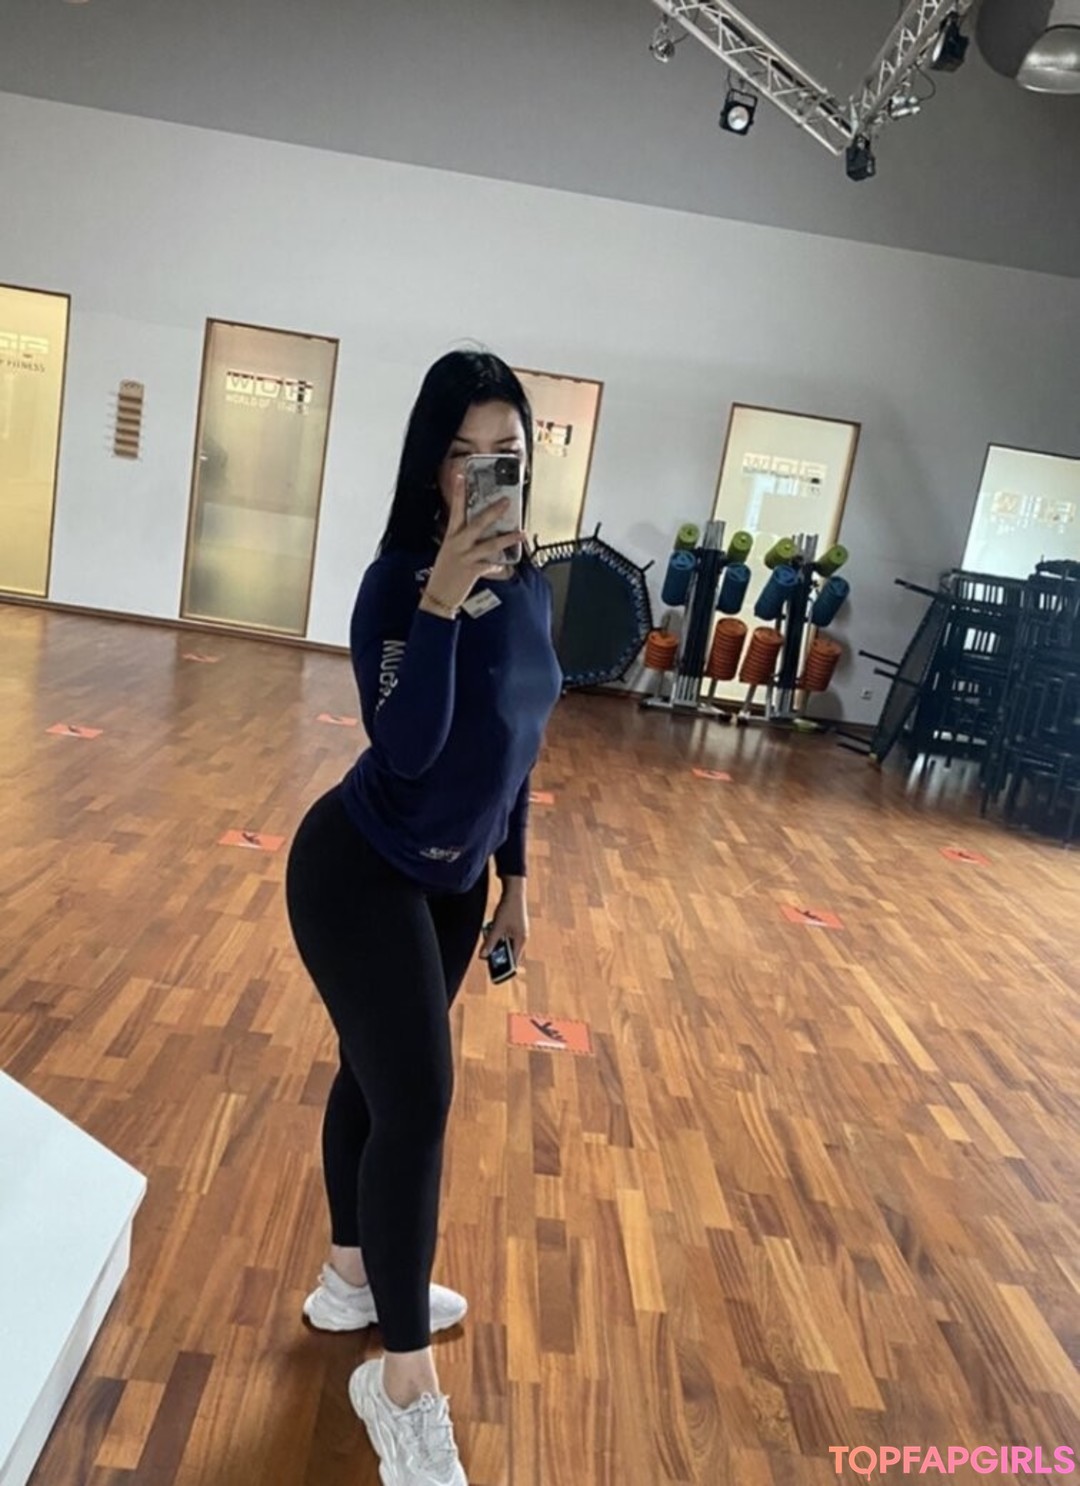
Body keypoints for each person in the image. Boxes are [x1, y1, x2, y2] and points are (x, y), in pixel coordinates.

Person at [285, 350, 562, 1486]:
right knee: (420, 1100)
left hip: (454, 887)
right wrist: (442, 597)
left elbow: (518, 745)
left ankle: (352, 1279)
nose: (487, 473)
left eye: (508, 454)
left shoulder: (535, 584)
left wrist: (518, 879)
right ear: (431, 467)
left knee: (378, 1079)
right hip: (356, 871)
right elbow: (406, 748)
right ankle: (400, 1382)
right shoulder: (394, 585)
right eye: (464, 454)